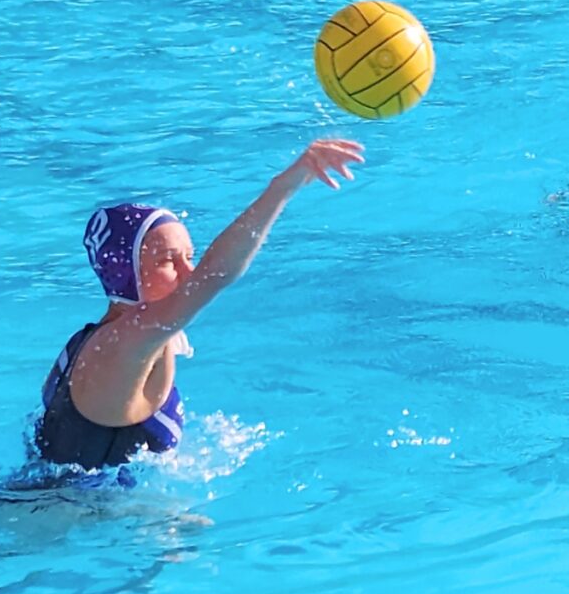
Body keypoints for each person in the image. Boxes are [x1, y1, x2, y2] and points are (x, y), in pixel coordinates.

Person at [34, 139, 364, 471]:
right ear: (125, 273)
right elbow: (214, 275)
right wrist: (281, 188)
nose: (188, 272)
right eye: (167, 261)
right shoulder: (121, 346)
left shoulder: (104, 339)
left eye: (190, 257)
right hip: (72, 505)